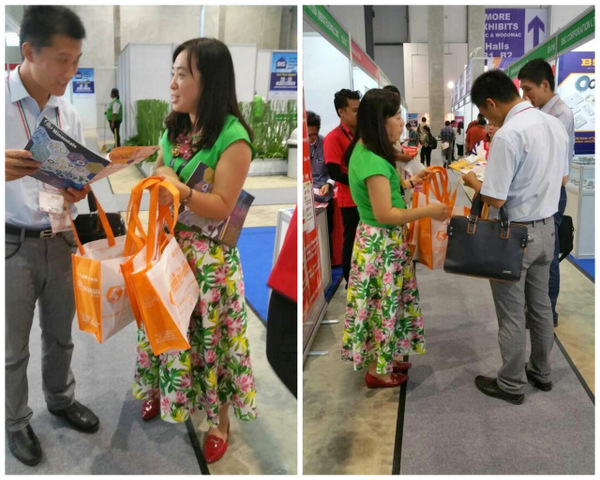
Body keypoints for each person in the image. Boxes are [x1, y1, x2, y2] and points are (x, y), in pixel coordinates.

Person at [140, 37, 258, 464]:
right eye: (172, 73)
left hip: (209, 263)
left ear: (209, 81)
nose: (172, 83)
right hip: (169, 251)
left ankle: (219, 422)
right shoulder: (174, 128)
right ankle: (165, 388)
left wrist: (181, 190)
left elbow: (223, 204)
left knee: (213, 339)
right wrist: (161, 175)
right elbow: (159, 169)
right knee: (167, 330)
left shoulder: (233, 136)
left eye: (182, 74)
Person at [5, 6, 98, 467]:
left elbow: (72, 181)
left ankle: (60, 399)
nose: (70, 72)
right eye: (62, 60)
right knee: (13, 346)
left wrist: (79, 187)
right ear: (29, 51)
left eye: (76, 61)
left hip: (61, 237)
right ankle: (16, 422)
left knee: (61, 334)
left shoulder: (67, 111)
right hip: (12, 244)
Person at [462, 70, 569, 405]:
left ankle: (510, 383)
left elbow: (495, 199)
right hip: (547, 229)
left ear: (491, 103)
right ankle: (541, 371)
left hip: (514, 236)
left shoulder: (509, 135)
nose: (487, 119)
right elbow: (562, 179)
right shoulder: (554, 124)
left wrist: (472, 181)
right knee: (540, 307)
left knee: (510, 313)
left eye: (485, 112)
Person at [341, 89, 451, 388]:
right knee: (383, 307)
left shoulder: (366, 152)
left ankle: (384, 359)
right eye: (398, 116)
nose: (403, 123)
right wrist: (430, 210)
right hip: (381, 246)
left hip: (379, 244)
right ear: (380, 120)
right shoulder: (373, 161)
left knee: (384, 305)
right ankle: (378, 371)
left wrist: (411, 182)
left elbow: (384, 195)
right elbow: (386, 213)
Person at [518, 58, 575, 327]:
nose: (525, 95)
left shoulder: (560, 114)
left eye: (528, 89)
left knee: (548, 257)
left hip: (552, 192)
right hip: (540, 190)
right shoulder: (540, 112)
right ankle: (537, 309)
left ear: (544, 84)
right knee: (538, 254)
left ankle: (547, 314)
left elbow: (551, 160)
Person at [324, 88, 361, 285]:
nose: (359, 114)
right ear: (341, 112)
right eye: (355, 110)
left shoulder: (362, 134)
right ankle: (350, 281)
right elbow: (335, 173)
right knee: (352, 241)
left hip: (366, 198)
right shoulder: (334, 137)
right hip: (350, 200)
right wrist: (362, 181)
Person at [307, 110, 335, 254]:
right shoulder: (302, 145)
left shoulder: (326, 144)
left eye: (313, 135)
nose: (310, 139)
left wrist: (329, 184)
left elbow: (333, 172)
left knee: (325, 233)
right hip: (307, 197)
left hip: (324, 197)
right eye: (307, 135)